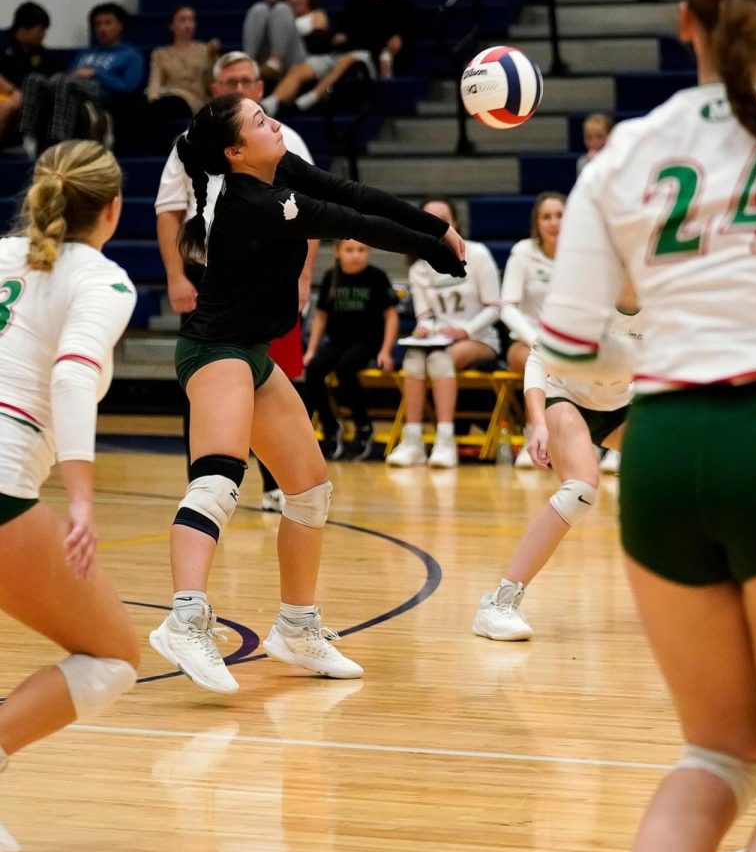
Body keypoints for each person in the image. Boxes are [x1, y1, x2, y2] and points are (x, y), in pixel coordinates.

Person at [535, 0, 756, 852]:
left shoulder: (623, 154)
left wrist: (571, 454)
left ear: (683, 24)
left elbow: (562, 352)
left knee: (716, 755)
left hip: (661, 451)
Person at [147, 93, 465, 694]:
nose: (275, 123)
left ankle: (296, 627)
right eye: (261, 122)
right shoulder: (253, 201)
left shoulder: (277, 168)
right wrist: (428, 244)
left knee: (310, 489)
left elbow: (355, 194)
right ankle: (185, 619)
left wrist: (437, 226)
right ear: (236, 152)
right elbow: (351, 223)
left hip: (252, 353)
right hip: (213, 351)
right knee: (218, 480)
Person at [0, 139, 141, 852]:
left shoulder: (1, 256)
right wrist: (81, 500)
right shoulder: (105, 282)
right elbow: (71, 376)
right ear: (113, 209)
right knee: (112, 657)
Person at [153, 51, 317, 513]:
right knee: (207, 378)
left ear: (260, 89)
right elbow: (168, 210)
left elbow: (310, 214)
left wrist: (302, 276)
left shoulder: (286, 139)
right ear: (215, 89)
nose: (239, 89)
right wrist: (173, 275)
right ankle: (205, 484)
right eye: (229, 83)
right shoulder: (190, 142)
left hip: (268, 273)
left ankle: (276, 482)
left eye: (247, 81)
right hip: (205, 272)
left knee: (270, 371)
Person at [474, 321, 636, 640]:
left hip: (623, 404)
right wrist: (539, 425)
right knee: (580, 490)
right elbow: (537, 359)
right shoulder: (591, 291)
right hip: (566, 397)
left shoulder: (663, 296)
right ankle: (499, 604)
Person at [386, 199, 500, 469]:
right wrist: (424, 329)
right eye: (429, 219)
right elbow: (425, 316)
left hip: (480, 338)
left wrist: (466, 330)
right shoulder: (418, 268)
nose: (436, 225)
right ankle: (412, 441)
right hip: (440, 339)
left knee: (440, 360)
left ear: (455, 223)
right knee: (413, 358)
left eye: (443, 218)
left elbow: (495, 307)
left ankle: (445, 441)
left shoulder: (478, 254)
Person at [261, 0, 418, 116]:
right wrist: (339, 36)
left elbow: (410, 31)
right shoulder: (356, 2)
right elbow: (341, 31)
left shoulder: (402, 6)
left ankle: (306, 100)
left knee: (348, 59)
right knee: (301, 67)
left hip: (367, 59)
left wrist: (399, 37)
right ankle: (272, 103)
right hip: (339, 53)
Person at [303, 239, 398, 462]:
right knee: (313, 369)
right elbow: (321, 317)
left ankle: (363, 426)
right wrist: (311, 350)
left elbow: (391, 316)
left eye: (362, 250)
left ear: (369, 251)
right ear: (337, 252)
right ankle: (330, 426)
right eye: (349, 250)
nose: (356, 255)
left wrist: (385, 351)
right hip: (337, 341)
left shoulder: (377, 277)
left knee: (346, 368)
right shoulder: (330, 277)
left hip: (367, 342)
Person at [20, 3, 144, 153]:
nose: (102, 28)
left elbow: (128, 86)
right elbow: (71, 75)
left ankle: (59, 139)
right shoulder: (85, 54)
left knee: (66, 83)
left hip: (102, 93)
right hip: (74, 88)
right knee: (34, 79)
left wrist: (96, 73)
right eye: (97, 24)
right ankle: (27, 137)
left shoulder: (130, 55)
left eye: (108, 23)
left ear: (120, 26)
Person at [499, 191, 565, 468]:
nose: (553, 222)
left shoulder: (582, 254)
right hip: (528, 342)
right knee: (535, 362)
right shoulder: (522, 252)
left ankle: (588, 443)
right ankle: (533, 438)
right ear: (536, 222)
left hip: (570, 342)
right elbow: (507, 307)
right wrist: (537, 340)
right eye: (546, 216)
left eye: (560, 215)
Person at [242, 0, 331, 83]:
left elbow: (318, 43)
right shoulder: (279, 16)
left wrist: (287, 35)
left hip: (299, 59)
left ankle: (275, 62)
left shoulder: (317, 14)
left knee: (282, 8)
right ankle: (247, 63)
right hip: (268, 56)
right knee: (260, 8)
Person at [146, 4, 219, 120]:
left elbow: (211, 84)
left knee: (169, 105)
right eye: (182, 20)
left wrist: (212, 58)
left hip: (194, 100)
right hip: (168, 96)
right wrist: (152, 99)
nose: (188, 24)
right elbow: (155, 82)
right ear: (171, 25)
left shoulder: (205, 50)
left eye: (191, 20)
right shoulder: (160, 54)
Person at [0, 2, 56, 150]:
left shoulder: (41, 53)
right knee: (6, 105)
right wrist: (12, 91)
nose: (43, 34)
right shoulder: (2, 41)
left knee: (10, 105)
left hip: (28, 98)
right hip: (6, 93)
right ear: (24, 28)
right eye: (40, 30)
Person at [576, 111, 614, 175]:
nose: (594, 142)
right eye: (589, 137)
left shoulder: (618, 159)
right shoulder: (583, 161)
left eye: (600, 137)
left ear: (610, 137)